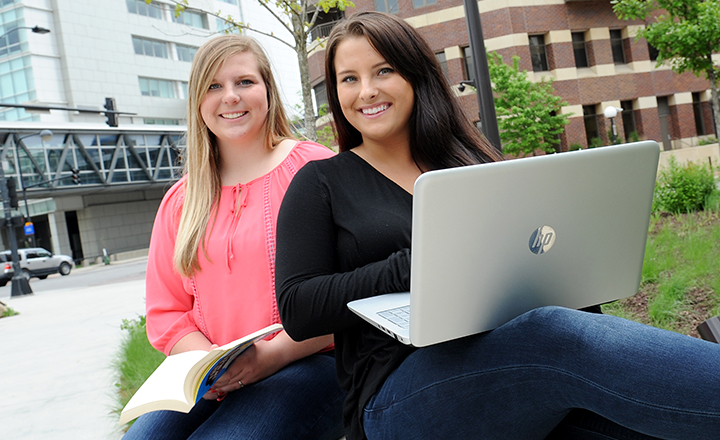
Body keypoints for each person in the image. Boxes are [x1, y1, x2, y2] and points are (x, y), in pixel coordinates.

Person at [275, 11, 720, 440]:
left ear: (415, 76)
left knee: (631, 419)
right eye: (348, 79)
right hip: (397, 396)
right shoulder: (320, 183)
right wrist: (413, 266)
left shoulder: (472, 164)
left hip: (514, 367)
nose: (366, 91)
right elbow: (297, 308)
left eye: (383, 71)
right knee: (551, 335)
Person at [123, 34, 345, 439]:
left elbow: (352, 286)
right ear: (198, 102)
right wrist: (207, 364)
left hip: (309, 360)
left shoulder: (314, 169)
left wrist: (271, 356)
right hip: (214, 377)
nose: (231, 97)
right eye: (214, 86)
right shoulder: (182, 200)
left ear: (267, 90)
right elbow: (166, 310)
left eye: (244, 82)